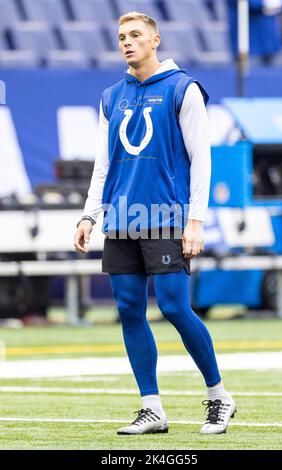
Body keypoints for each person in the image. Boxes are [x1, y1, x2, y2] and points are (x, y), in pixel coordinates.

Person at [74, 11, 236, 436]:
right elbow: (103, 165)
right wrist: (90, 214)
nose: (127, 42)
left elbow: (202, 159)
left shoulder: (183, 89)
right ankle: (152, 409)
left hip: (166, 217)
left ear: (156, 39)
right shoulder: (112, 96)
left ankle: (219, 396)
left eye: (136, 35)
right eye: (122, 36)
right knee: (129, 309)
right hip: (121, 217)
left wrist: (196, 220)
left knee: (174, 307)